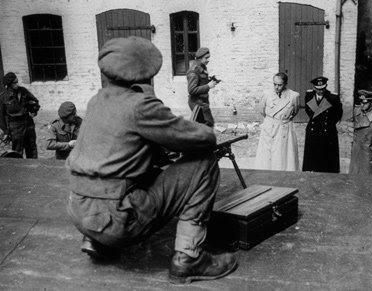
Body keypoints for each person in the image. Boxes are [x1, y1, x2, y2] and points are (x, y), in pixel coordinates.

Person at [66, 36, 237, 284]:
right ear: (146, 73)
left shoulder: (96, 101)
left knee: (134, 170)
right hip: (118, 220)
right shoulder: (140, 105)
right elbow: (202, 138)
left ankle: (98, 241)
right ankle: (189, 258)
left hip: (80, 213)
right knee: (205, 163)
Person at [254, 72, 300, 171]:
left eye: (280, 85)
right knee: (267, 154)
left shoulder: (293, 96)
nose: (276, 87)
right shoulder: (267, 94)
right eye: (274, 84)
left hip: (284, 127)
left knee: (283, 154)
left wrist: (283, 120)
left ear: (285, 84)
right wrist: (271, 121)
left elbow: (295, 111)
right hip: (269, 126)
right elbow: (262, 111)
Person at [302, 76, 343, 173]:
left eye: (323, 89)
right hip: (313, 130)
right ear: (314, 88)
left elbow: (338, 114)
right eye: (318, 89)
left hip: (328, 131)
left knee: (328, 160)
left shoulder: (333, 97)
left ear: (326, 86)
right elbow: (309, 112)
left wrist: (328, 124)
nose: (320, 91)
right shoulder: (309, 95)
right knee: (312, 159)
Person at [0, 72, 40, 158]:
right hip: (15, 126)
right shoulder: (3, 97)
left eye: (17, 81)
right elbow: (1, 116)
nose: (17, 84)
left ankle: (34, 168)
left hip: (28, 123)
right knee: (17, 150)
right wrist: (6, 131)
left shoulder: (23, 91)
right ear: (9, 84)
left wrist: (34, 111)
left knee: (32, 148)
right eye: (14, 83)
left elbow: (35, 101)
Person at [186, 47, 218, 127]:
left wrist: (210, 80)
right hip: (197, 104)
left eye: (208, 57)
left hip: (203, 103)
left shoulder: (202, 67)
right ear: (200, 58)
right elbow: (191, 90)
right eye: (206, 58)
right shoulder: (194, 70)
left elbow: (200, 82)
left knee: (207, 125)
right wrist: (208, 86)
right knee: (207, 125)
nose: (208, 60)